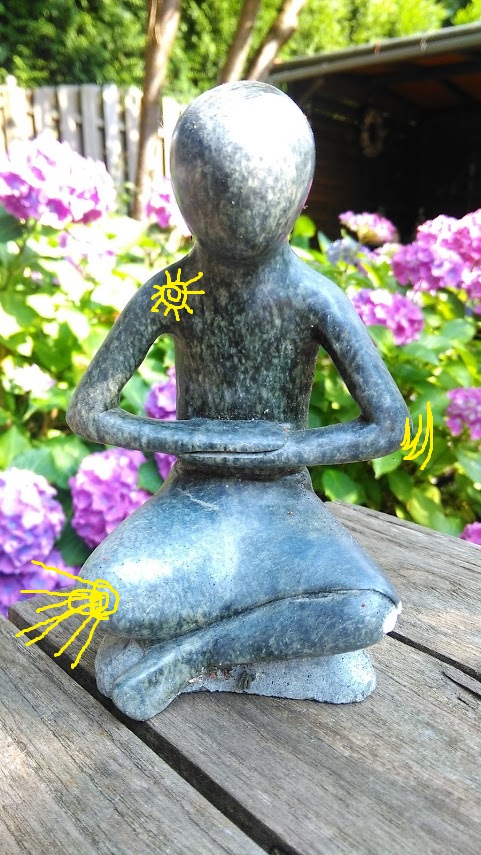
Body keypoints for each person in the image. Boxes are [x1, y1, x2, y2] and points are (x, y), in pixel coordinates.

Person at [67, 81, 409, 719]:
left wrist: (291, 448)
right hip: (193, 502)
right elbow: (89, 411)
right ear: (183, 193)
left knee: (368, 609)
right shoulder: (174, 292)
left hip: (283, 505)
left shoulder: (311, 297)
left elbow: (389, 425)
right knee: (102, 598)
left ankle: (193, 653)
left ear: (299, 192)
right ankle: (239, 634)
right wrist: (190, 439)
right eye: (213, 199)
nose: (233, 222)